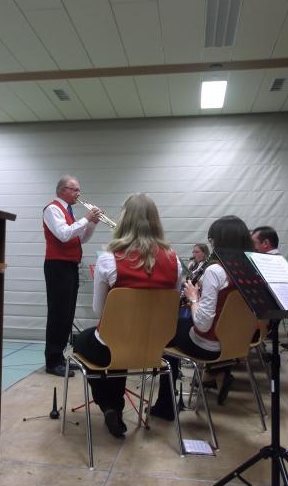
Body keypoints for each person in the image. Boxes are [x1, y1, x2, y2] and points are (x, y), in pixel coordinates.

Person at [73, 193, 182, 438]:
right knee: (117, 346)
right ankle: (113, 406)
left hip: (115, 345)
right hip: (155, 349)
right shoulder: (174, 261)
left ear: (124, 219)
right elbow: (172, 307)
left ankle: (110, 406)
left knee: (86, 343)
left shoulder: (108, 260)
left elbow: (100, 311)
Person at [151, 215, 254, 419]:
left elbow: (202, 324)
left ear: (220, 241)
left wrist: (193, 298)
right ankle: (212, 376)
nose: (212, 244)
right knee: (178, 326)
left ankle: (165, 405)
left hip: (209, 345)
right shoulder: (250, 268)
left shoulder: (215, 271)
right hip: (236, 343)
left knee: (166, 330)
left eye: (212, 240)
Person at [43, 175, 101, 377]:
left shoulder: (68, 211)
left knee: (67, 314)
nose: (78, 193)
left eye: (78, 190)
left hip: (69, 266)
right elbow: (64, 234)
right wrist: (85, 218)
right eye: (75, 189)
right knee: (58, 314)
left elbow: (80, 239)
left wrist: (91, 223)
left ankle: (60, 357)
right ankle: (52, 361)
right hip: (57, 266)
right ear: (63, 190)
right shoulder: (52, 209)